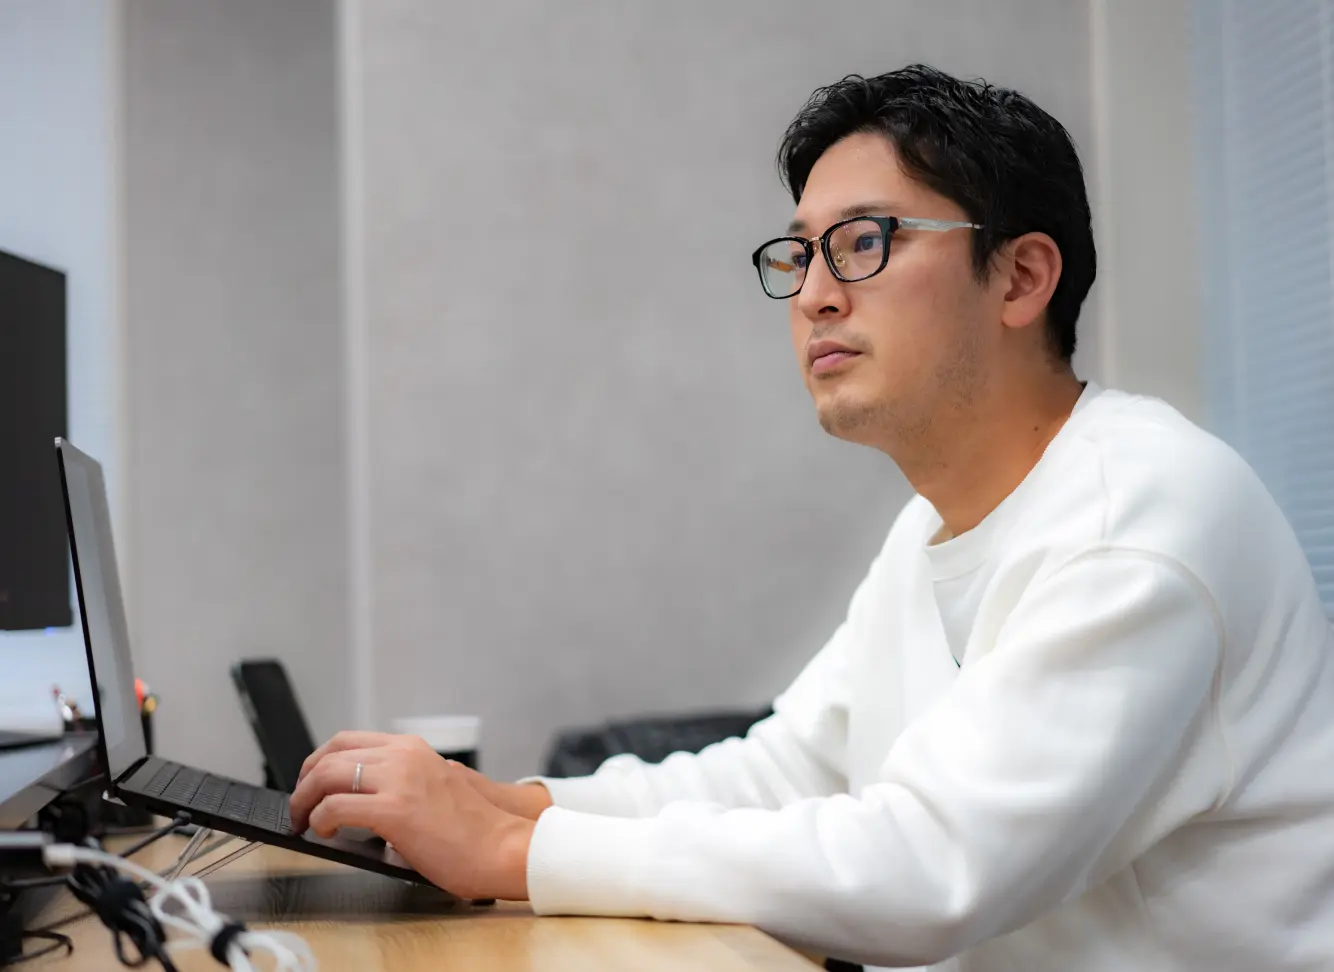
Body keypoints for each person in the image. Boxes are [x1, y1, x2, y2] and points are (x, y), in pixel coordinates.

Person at [288, 65, 1334, 971]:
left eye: (864, 243)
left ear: (1020, 277)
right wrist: (510, 807)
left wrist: (514, 854)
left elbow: (929, 868)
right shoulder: (932, 526)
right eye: (799, 256)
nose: (814, 297)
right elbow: (785, 773)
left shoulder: (1140, 519)